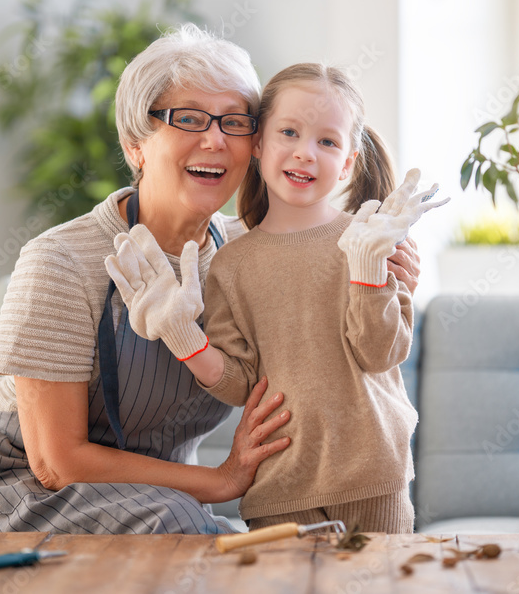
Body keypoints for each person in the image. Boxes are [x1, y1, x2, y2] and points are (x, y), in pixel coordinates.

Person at [0, 27, 423, 536]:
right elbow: (57, 461)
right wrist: (222, 480)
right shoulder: (61, 261)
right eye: (187, 118)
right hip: (22, 491)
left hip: (161, 500)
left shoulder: (242, 256)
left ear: (251, 144)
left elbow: (332, 296)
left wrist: (387, 271)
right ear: (134, 145)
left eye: (233, 122)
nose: (214, 139)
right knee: (195, 538)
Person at [105, 62, 448, 534]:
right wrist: (183, 337)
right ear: (260, 145)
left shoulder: (372, 241)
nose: (305, 153)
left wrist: (368, 270)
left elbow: (379, 353)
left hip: (374, 476)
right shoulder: (231, 263)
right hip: (278, 485)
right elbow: (243, 384)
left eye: (327, 142)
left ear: (347, 162)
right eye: (289, 132)